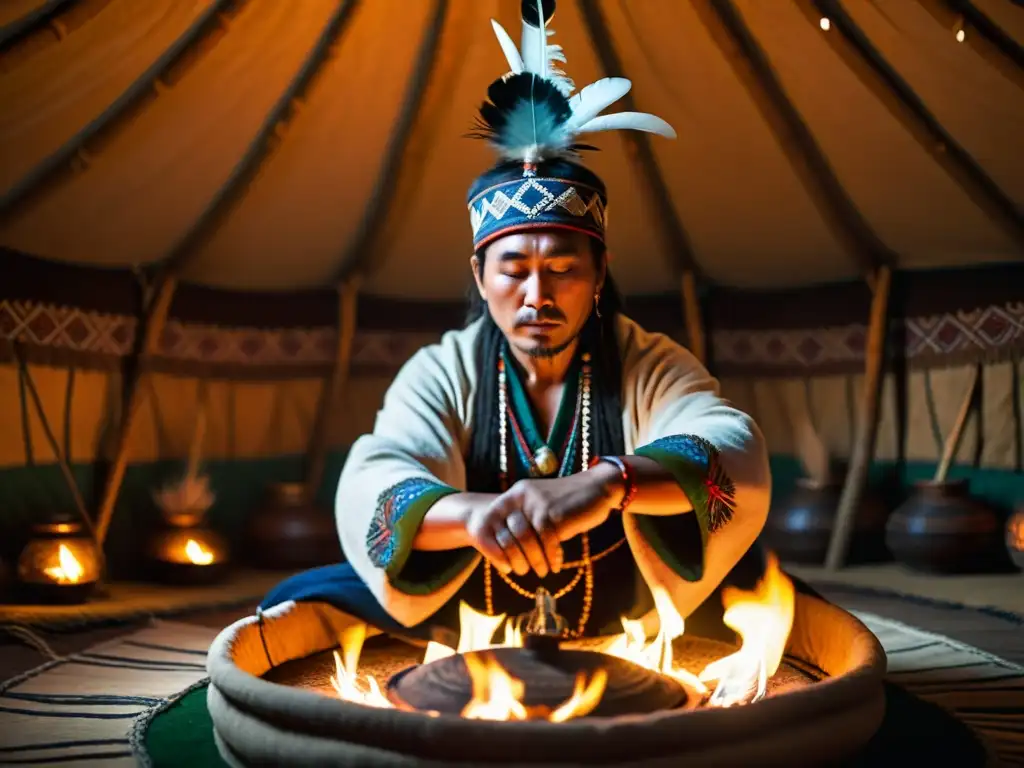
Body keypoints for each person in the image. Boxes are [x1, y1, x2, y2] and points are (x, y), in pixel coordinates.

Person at [260, 0, 772, 647]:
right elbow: (377, 478)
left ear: (600, 272)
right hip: (472, 610)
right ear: (479, 276)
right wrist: (476, 517)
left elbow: (729, 444)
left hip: (624, 608)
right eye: (512, 270)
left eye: (562, 268)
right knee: (295, 601)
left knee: (765, 594)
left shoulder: (648, 362)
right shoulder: (443, 370)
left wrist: (605, 483)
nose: (536, 294)